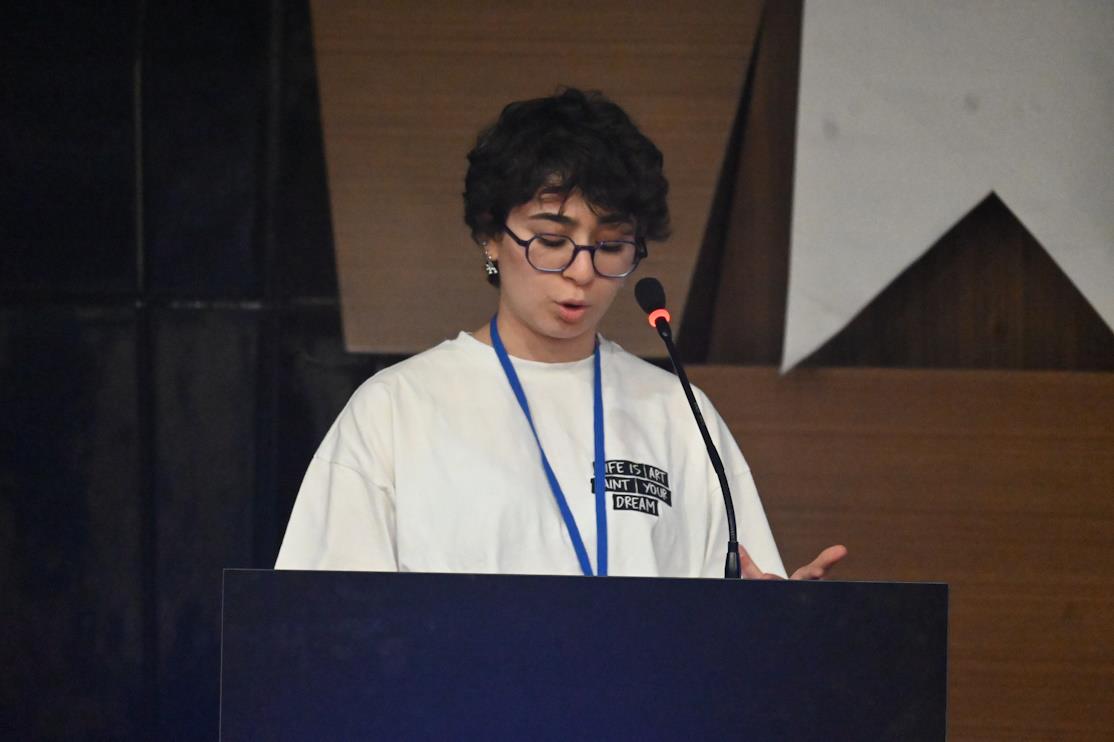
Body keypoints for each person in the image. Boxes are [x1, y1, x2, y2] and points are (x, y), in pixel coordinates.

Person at [275, 88, 845, 580]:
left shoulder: (679, 413)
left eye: (611, 246)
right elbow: (327, 624)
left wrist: (769, 619)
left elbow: (733, 610)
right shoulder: (397, 409)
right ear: (490, 235)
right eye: (552, 241)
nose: (582, 271)